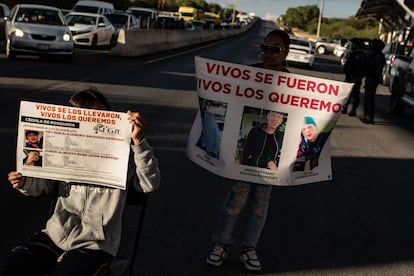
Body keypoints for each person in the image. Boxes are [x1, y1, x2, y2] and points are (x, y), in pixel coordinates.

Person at [1, 88, 161, 276]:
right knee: (13, 266)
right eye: (88, 116)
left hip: (95, 244)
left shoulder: (123, 155)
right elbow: (42, 186)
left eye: (101, 116)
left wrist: (139, 142)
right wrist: (24, 182)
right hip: (55, 235)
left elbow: (149, 183)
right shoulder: (64, 148)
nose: (95, 121)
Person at [205, 29, 290, 272]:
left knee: (260, 202)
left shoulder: (295, 85)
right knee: (236, 198)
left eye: (275, 49)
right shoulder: (247, 74)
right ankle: (221, 244)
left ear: (286, 52)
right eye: (265, 47)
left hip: (270, 167)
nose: (268, 53)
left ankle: (248, 247)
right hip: (244, 161)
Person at [360, 38, 386, 124]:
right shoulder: (377, 55)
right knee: (368, 97)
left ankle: (369, 116)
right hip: (371, 77)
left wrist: (368, 58)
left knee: (369, 98)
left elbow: (374, 66)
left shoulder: (378, 56)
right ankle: (367, 115)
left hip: (373, 78)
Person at [342, 38, 366, 116]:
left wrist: (359, 76)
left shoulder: (361, 55)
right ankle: (344, 108)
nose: (352, 45)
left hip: (356, 77)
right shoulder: (353, 53)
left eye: (354, 44)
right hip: (349, 76)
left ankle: (353, 110)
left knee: (355, 95)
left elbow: (361, 67)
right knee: (346, 94)